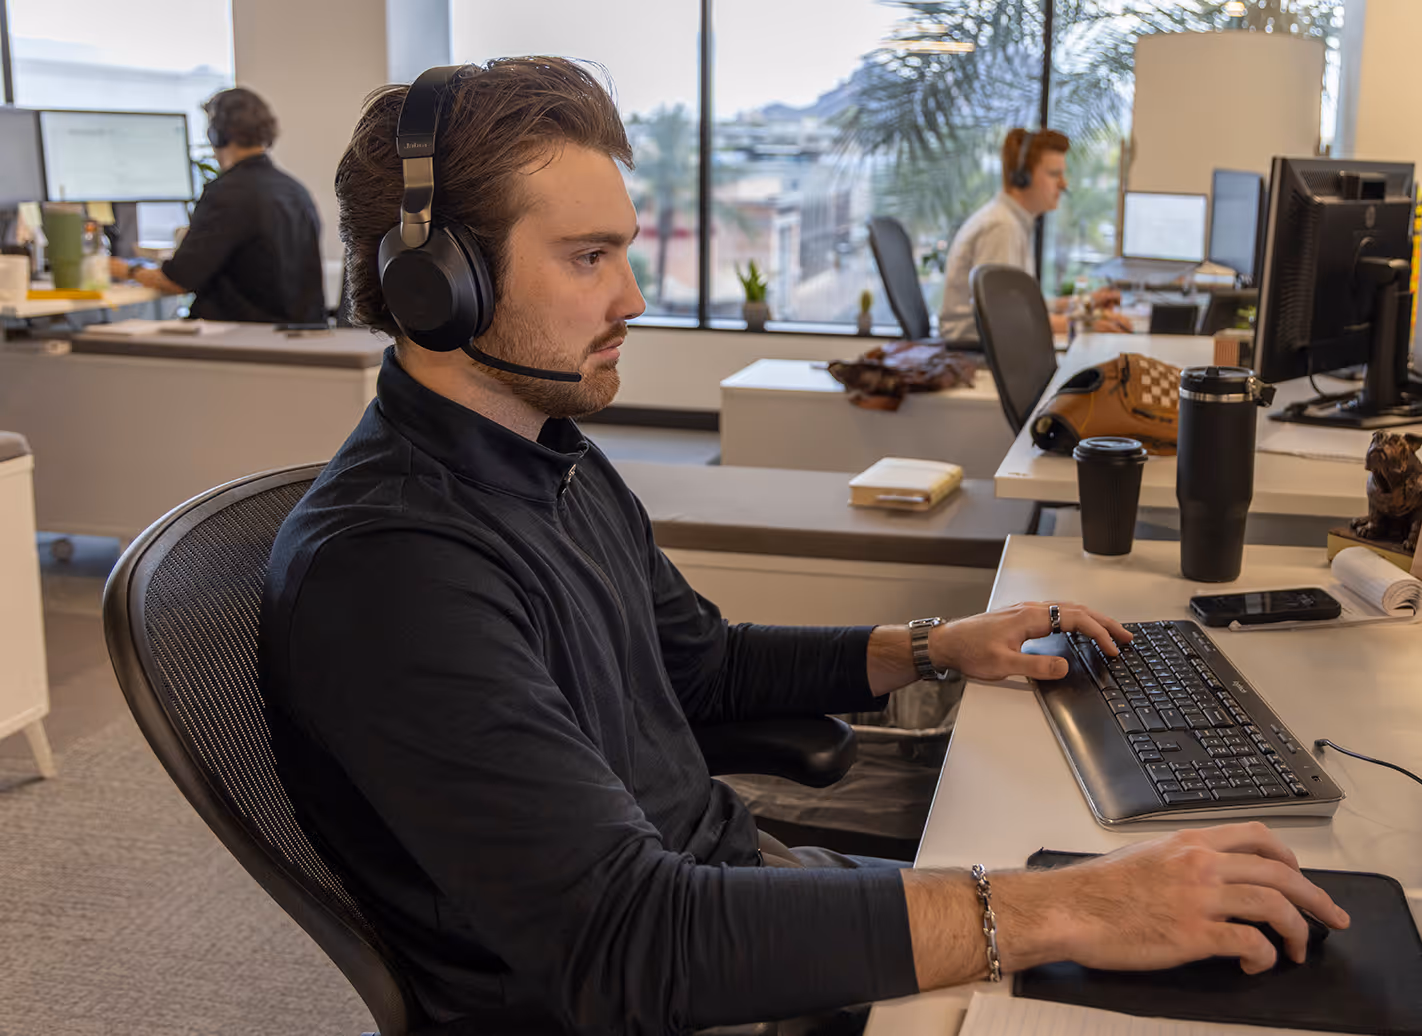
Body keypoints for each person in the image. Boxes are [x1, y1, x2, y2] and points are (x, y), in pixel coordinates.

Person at [260, 59, 1347, 1036]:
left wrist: (936, 646)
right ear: (437, 285)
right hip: (663, 988)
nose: (632, 298)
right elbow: (628, 944)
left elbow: (703, 665)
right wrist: (1067, 904)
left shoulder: (549, 458)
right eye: (587, 258)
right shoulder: (394, 573)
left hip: (736, 896)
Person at [110, 87, 325, 324]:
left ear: (216, 134)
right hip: (295, 340)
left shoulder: (228, 193)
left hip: (240, 340)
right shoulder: (295, 190)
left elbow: (178, 281)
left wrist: (123, 269)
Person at [937, 127, 1131, 343]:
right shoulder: (1002, 227)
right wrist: (1085, 325)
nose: (1064, 184)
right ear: (1023, 177)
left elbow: (1021, 307)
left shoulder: (1012, 221)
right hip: (978, 354)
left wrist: (1085, 304)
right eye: (1054, 174)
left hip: (995, 347)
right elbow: (1005, 319)